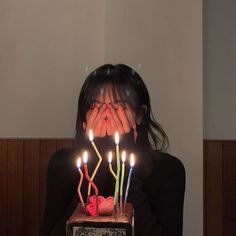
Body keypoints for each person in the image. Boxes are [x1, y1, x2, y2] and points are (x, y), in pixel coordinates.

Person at [42, 64, 185, 236]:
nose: (107, 115)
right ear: (84, 118)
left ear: (140, 115)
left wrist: (122, 163)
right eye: (96, 107)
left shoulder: (167, 169)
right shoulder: (63, 164)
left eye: (119, 108)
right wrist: (97, 161)